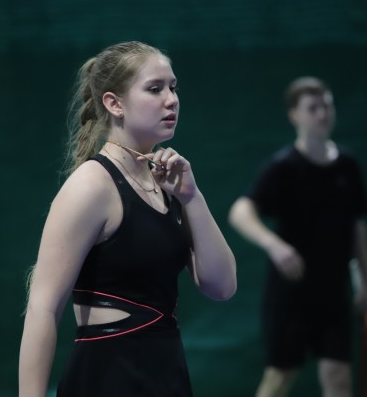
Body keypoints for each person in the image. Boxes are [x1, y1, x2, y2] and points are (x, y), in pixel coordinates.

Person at [18, 41, 237, 397]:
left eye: (173, 87)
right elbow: (43, 307)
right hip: (108, 376)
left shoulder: (169, 183)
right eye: (154, 89)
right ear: (114, 103)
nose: (171, 100)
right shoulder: (91, 185)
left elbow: (222, 286)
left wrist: (192, 197)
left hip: (167, 374)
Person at [228, 76, 367, 397]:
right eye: (313, 108)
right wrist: (274, 245)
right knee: (279, 378)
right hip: (290, 294)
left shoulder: (348, 165)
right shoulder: (283, 166)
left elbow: (357, 228)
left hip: (333, 293)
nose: (322, 114)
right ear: (294, 115)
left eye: (327, 106)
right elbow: (240, 211)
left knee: (338, 378)